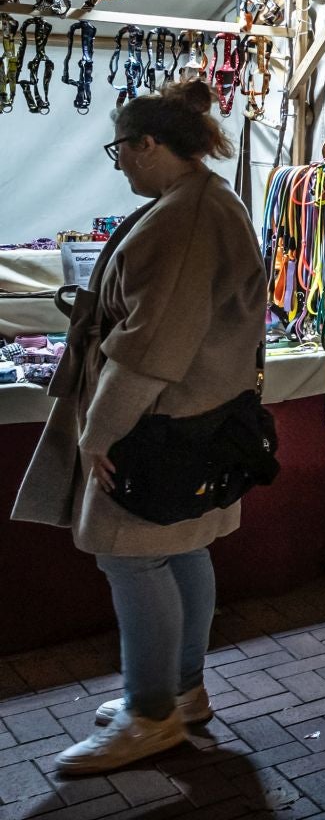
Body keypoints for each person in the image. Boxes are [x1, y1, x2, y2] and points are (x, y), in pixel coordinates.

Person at [13, 82, 265, 774]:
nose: (117, 163)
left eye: (120, 149)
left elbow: (149, 349)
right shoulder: (205, 202)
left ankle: (150, 713)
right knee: (183, 548)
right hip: (195, 424)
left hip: (156, 431)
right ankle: (182, 693)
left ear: (149, 145)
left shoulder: (181, 220)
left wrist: (99, 433)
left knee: (132, 557)